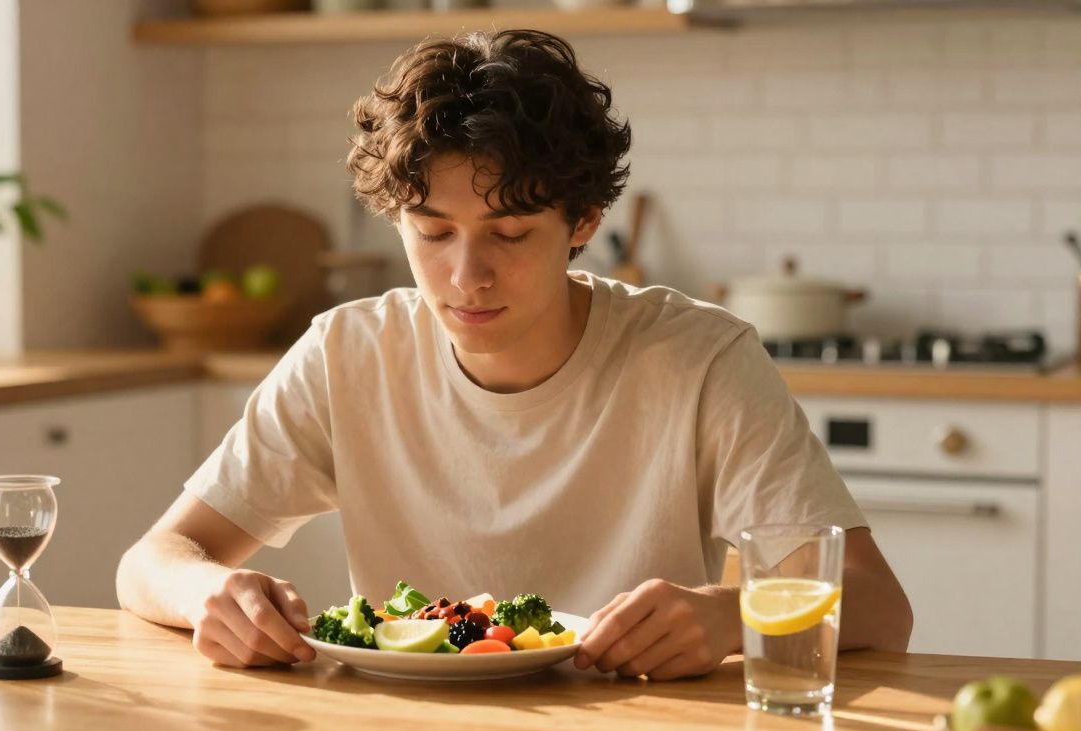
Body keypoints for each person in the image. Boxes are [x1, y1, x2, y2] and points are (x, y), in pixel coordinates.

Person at [116, 29, 913, 679]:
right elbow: (152, 559)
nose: (466, 276)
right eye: (432, 233)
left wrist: (730, 616)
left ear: (584, 222)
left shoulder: (698, 359)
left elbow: (880, 605)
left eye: (509, 234)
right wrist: (211, 592)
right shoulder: (347, 353)